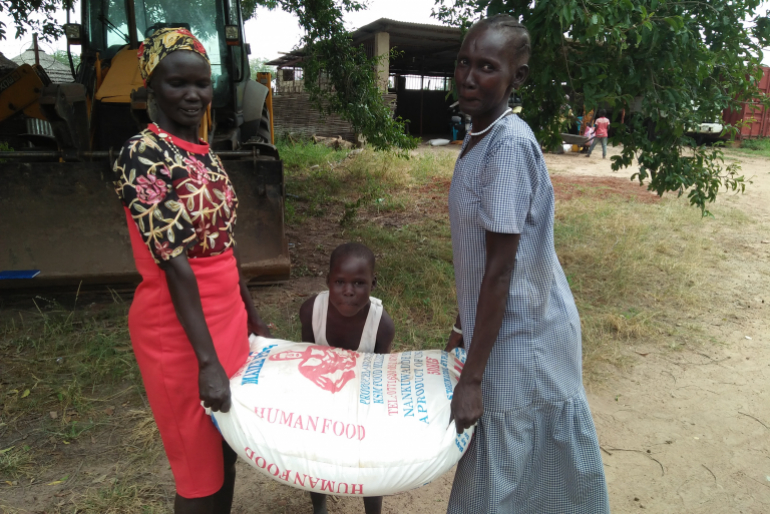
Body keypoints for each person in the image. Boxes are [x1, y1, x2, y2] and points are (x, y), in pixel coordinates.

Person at [445, 15, 610, 513]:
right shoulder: (481, 135)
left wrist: (471, 380)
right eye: (464, 63)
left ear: (516, 78)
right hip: (504, 327)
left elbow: (500, 269)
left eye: (487, 67)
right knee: (518, 471)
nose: (470, 77)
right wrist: (462, 321)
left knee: (509, 472)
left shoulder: (509, 145)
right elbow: (480, 256)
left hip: (525, 337)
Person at [113, 28, 271, 514]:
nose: (193, 95)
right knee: (198, 471)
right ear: (151, 89)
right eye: (177, 83)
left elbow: (227, 242)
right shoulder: (142, 155)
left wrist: (251, 316)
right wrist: (207, 363)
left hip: (224, 322)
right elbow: (176, 264)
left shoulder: (205, 152)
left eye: (201, 84)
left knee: (226, 453)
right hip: (180, 332)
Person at [298, 242, 395, 514]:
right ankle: (319, 506)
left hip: (361, 403)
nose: (349, 291)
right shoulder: (311, 312)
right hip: (321, 399)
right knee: (315, 456)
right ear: (327, 280)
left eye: (359, 283)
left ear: (373, 284)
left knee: (368, 461)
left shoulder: (381, 325)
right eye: (339, 281)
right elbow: (305, 361)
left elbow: (378, 378)